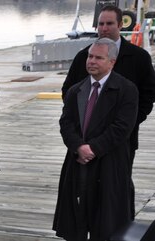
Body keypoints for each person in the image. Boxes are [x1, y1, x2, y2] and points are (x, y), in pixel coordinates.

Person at [61, 5, 155, 218]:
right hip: (84, 139)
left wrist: (129, 122)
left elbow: (148, 95)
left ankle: (121, 227)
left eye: (109, 23)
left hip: (123, 138)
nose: (104, 28)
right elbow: (68, 92)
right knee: (85, 187)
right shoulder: (84, 56)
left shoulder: (138, 57)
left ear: (120, 25)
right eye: (101, 23)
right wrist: (79, 135)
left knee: (118, 186)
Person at [53, 38, 139, 241]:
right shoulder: (76, 90)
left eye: (98, 58)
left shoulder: (127, 90)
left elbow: (122, 128)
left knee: (107, 222)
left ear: (112, 62)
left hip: (110, 164)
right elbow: (66, 124)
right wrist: (78, 147)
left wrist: (92, 149)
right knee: (77, 219)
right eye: (90, 56)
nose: (91, 61)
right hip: (78, 163)